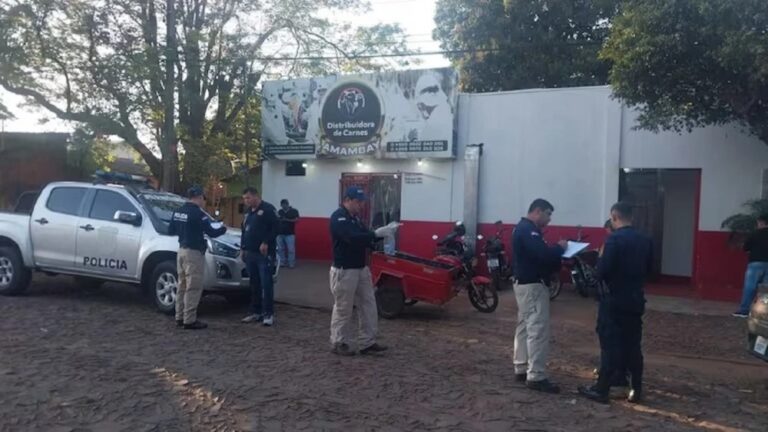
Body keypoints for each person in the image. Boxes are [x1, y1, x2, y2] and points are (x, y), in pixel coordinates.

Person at [578, 202, 653, 404]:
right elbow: (650, 269)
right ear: (631, 217)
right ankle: (636, 388)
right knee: (633, 345)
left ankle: (602, 388)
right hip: (635, 299)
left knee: (610, 344)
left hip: (613, 299)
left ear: (614, 217)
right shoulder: (645, 240)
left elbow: (603, 271)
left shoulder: (613, 240)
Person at [328, 187, 399, 356]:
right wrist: (375, 234)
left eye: (362, 202)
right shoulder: (338, 217)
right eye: (358, 201)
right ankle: (339, 342)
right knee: (343, 308)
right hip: (345, 270)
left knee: (368, 305)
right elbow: (351, 237)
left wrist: (382, 234)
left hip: (360, 268)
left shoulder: (355, 219)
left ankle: (367, 342)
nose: (361, 205)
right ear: (347, 200)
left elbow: (365, 236)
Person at [512, 199, 567, 394]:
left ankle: (521, 366)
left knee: (524, 327)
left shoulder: (524, 229)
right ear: (537, 211)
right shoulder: (529, 231)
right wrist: (560, 248)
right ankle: (536, 375)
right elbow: (542, 255)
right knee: (537, 329)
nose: (549, 219)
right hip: (533, 286)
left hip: (525, 284)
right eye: (548, 214)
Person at [169, 186, 227, 330]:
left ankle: (179, 316)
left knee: (182, 285)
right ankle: (189, 320)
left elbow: (170, 230)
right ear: (199, 197)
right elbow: (212, 232)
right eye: (203, 198)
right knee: (193, 286)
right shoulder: (199, 214)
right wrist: (223, 229)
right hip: (194, 253)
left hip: (181, 251)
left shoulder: (178, 211)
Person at [240, 187, 279, 327]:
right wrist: (243, 248)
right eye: (244, 198)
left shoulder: (268, 209)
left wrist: (266, 242)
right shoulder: (248, 212)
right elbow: (244, 230)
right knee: (254, 283)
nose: (246, 201)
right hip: (250, 253)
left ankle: (268, 314)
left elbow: (276, 227)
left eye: (248, 198)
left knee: (266, 284)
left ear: (256, 196)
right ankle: (255, 311)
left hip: (264, 254)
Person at [734, 214, 768, 318]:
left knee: (750, 287)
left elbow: (745, 248)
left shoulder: (754, 234)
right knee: (765, 289)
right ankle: (762, 313)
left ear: (761, 222)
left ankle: (744, 311)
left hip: (755, 263)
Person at [277, 199, 300, 269]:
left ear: (287, 204)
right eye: (282, 205)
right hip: (280, 233)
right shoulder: (280, 211)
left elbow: (297, 220)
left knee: (291, 249)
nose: (283, 206)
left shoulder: (294, 211)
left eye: (284, 205)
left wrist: (287, 220)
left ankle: (291, 263)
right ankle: (282, 262)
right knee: (280, 249)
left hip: (290, 234)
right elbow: (277, 219)